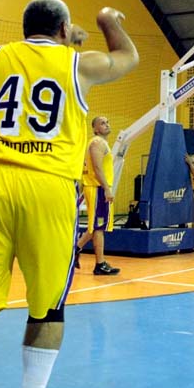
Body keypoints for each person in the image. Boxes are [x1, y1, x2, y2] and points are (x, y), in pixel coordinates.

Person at [0, 0, 138, 388]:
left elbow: (32, 52)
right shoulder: (80, 64)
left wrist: (65, 34)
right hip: (48, 185)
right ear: (63, 30)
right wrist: (106, 20)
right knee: (48, 307)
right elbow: (127, 56)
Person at [75, 116, 120, 276]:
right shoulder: (97, 143)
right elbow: (98, 168)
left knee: (94, 226)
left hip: (97, 187)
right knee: (98, 227)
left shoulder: (100, 143)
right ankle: (100, 264)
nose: (107, 124)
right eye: (102, 123)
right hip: (97, 188)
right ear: (95, 129)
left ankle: (76, 249)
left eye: (107, 122)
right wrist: (107, 189)